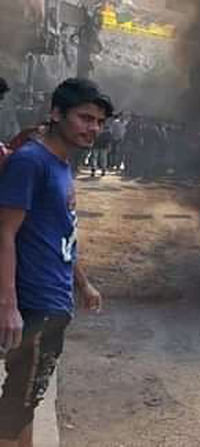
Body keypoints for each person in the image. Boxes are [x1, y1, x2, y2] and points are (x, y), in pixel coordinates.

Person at [0, 78, 109, 447]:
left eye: (98, 121)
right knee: (13, 412)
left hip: (54, 299)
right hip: (34, 303)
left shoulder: (61, 165)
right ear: (57, 113)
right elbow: (5, 233)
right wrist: (9, 305)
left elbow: (61, 233)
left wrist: (83, 283)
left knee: (23, 405)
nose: (92, 128)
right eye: (84, 118)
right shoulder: (32, 161)